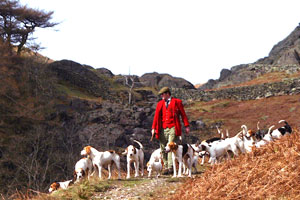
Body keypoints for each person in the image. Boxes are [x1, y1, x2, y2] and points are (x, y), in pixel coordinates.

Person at [151, 87, 190, 175]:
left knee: (170, 145)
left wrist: (186, 125)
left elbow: (183, 114)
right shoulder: (160, 104)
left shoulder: (177, 102)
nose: (161, 96)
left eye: (163, 94)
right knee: (162, 147)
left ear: (167, 93)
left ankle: (170, 167)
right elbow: (156, 117)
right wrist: (153, 128)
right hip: (162, 128)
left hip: (173, 126)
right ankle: (165, 165)